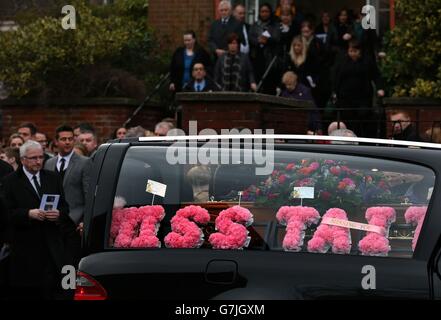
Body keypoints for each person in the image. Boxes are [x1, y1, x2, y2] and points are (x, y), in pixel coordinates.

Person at [1, 140, 80, 299]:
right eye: (33, 158)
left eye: (40, 157)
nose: (38, 161)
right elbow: (6, 214)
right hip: (26, 247)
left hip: (53, 243)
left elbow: (65, 206)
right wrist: (29, 213)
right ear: (23, 159)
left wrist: (59, 214)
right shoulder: (10, 181)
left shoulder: (52, 178)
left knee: (60, 288)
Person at [333, 40, 384, 137]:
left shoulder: (367, 61)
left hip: (363, 98)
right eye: (350, 51)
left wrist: (379, 88)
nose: (352, 54)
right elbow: (336, 77)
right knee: (348, 121)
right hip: (346, 98)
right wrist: (335, 91)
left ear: (360, 51)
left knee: (363, 120)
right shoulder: (342, 61)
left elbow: (376, 75)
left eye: (355, 51)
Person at [45, 125, 91, 225]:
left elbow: (88, 194)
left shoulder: (85, 162)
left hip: (75, 220)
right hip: (52, 220)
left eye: (70, 139)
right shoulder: (49, 163)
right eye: (63, 139)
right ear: (56, 142)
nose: (67, 142)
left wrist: (85, 220)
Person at [249, 3, 281, 95]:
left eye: (266, 11)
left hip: (270, 59)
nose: (264, 14)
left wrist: (266, 40)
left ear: (270, 12)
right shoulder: (255, 25)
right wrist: (258, 41)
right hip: (257, 57)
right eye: (262, 11)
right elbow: (250, 38)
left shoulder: (275, 24)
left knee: (269, 85)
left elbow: (277, 38)